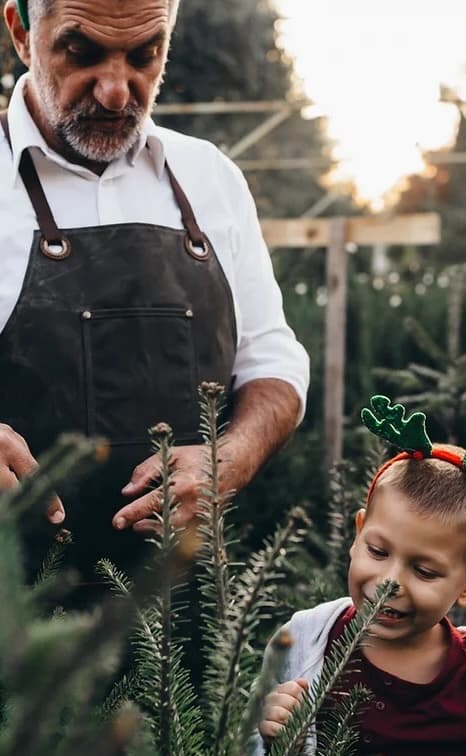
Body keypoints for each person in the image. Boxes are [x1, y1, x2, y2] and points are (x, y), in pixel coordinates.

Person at [0, 0, 309, 582]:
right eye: (81, 51)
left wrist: (229, 460)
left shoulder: (210, 177)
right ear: (20, 31)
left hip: (183, 615)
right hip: (17, 624)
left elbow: (273, 361)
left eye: (145, 55)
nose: (118, 91)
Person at [250, 395, 466, 756]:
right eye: (377, 551)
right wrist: (271, 739)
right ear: (358, 536)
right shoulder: (301, 644)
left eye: (424, 571)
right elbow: (244, 753)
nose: (390, 583)